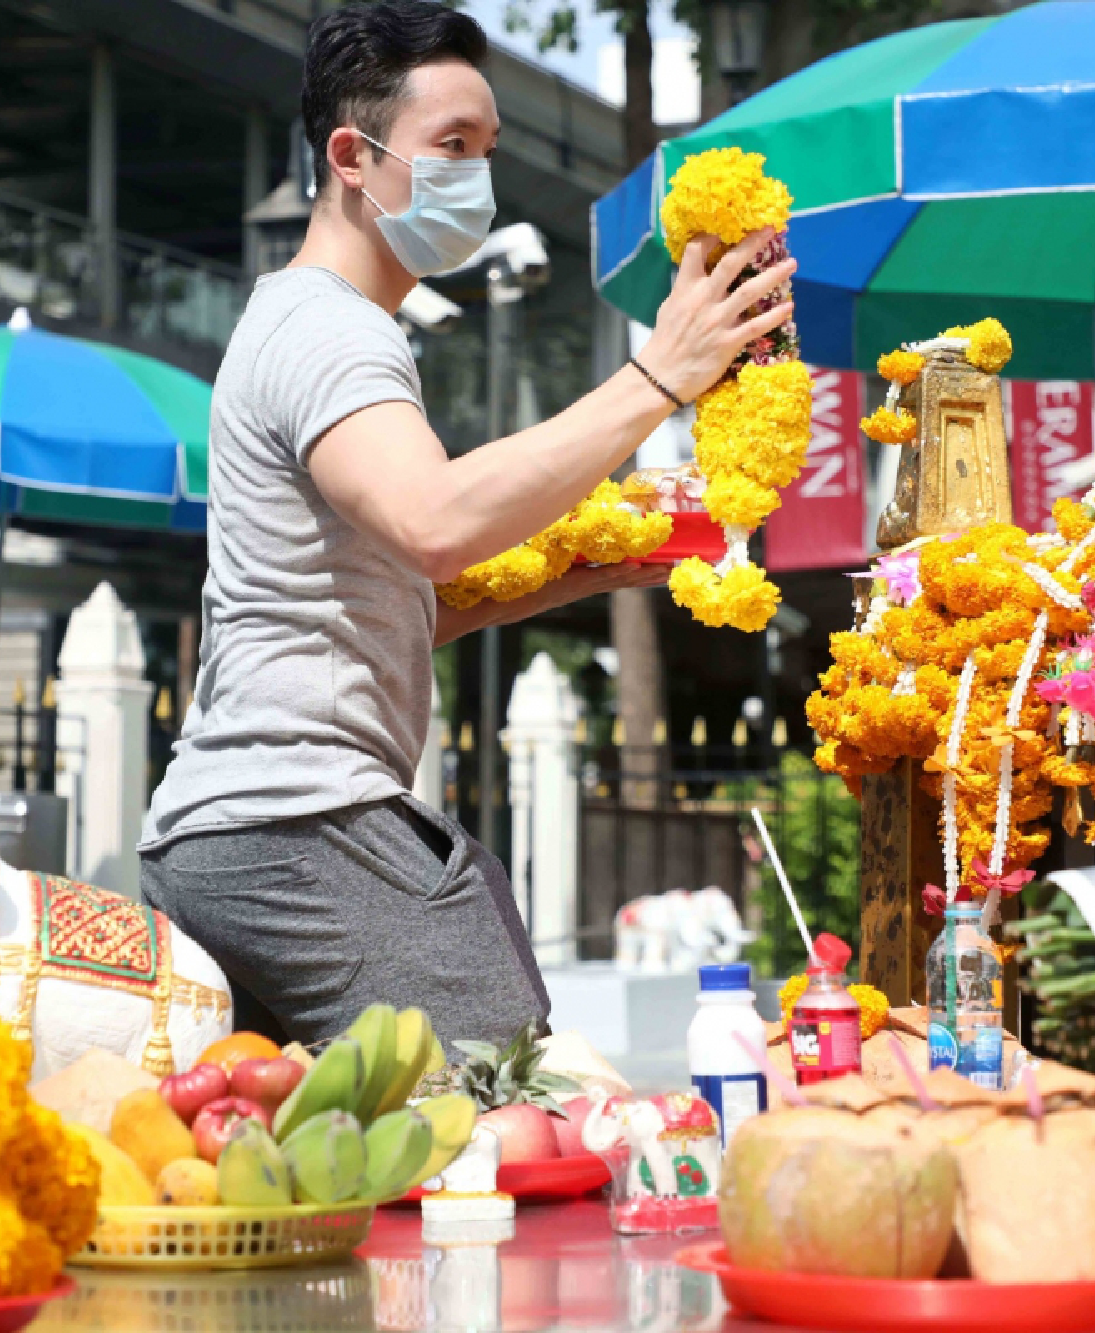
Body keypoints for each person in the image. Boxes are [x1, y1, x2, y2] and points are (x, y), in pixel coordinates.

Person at [138, 0, 792, 1048]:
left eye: (486, 149)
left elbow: (369, 607)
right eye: (451, 147)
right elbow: (434, 521)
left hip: (229, 839)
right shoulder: (329, 332)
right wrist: (657, 376)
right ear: (352, 155)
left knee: (330, 1180)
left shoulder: (312, 324)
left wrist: (575, 569)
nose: (475, 180)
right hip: (300, 831)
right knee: (505, 1102)